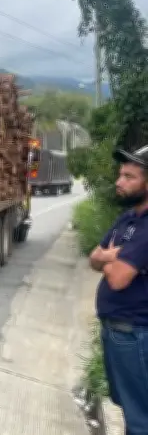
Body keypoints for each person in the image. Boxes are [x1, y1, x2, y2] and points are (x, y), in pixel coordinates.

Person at [89, 145, 148, 434]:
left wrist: (109, 257)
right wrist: (112, 256)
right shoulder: (127, 219)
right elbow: (93, 257)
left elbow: (118, 279)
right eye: (120, 175)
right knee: (129, 408)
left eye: (129, 177)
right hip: (117, 331)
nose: (119, 182)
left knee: (140, 419)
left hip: (135, 334)